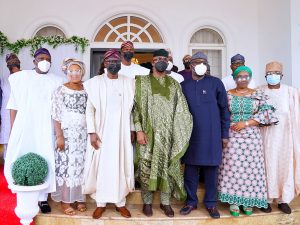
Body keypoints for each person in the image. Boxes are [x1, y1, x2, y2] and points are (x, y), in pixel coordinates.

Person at [4, 48, 65, 213]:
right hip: (25, 124)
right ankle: (22, 192)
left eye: (48, 58)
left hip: (46, 125)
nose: (44, 61)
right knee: (22, 153)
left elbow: (58, 109)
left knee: (46, 156)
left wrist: (58, 132)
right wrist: (13, 129)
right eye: (41, 58)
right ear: (34, 61)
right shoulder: (20, 78)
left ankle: (42, 199)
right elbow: (13, 105)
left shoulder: (57, 81)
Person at [133, 49, 193, 217]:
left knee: (167, 167)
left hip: (168, 135)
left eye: (164, 59)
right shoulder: (141, 82)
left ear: (168, 62)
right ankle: (147, 203)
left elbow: (181, 110)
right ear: (152, 62)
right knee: (146, 167)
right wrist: (139, 131)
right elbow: (135, 108)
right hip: (147, 133)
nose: (160, 61)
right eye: (157, 58)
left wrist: (178, 132)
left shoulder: (174, 84)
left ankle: (166, 203)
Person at [218, 66, 278, 217]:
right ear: (234, 78)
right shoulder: (227, 95)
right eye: (239, 77)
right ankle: (234, 201)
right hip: (233, 137)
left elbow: (267, 113)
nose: (243, 79)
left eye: (246, 76)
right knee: (233, 168)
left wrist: (246, 123)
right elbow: (222, 113)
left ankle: (248, 201)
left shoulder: (257, 94)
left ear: (250, 78)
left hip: (252, 137)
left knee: (251, 170)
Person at [82, 49, 135, 219]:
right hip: (101, 132)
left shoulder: (129, 82)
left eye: (116, 61)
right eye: (110, 61)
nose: (114, 64)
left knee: (120, 165)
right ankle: (100, 203)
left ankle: (120, 203)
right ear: (104, 63)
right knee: (102, 167)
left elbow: (133, 110)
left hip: (121, 132)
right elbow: (89, 110)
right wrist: (92, 132)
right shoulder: (94, 83)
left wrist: (133, 129)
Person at [180, 51, 230, 218]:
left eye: (203, 62)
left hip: (212, 135)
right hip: (191, 135)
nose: (200, 65)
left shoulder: (216, 83)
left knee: (211, 170)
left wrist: (224, 135)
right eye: (197, 62)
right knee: (190, 170)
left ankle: (210, 204)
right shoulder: (184, 85)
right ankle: (191, 202)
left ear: (207, 65)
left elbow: (224, 110)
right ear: (191, 65)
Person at [259, 61, 300, 214]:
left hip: (285, 138)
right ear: (265, 76)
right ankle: (266, 199)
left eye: (276, 74)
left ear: (282, 76)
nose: (272, 76)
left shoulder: (291, 92)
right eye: (269, 74)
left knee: (284, 166)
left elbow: (296, 116)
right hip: (266, 138)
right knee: (267, 166)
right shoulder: (259, 91)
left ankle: (283, 200)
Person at [51, 59, 88, 215]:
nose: (74, 74)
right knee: (68, 167)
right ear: (66, 73)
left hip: (83, 135)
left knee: (81, 166)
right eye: (71, 71)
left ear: (82, 72)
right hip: (67, 135)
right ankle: (66, 201)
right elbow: (56, 114)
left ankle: (79, 198)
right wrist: (59, 136)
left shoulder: (87, 89)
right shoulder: (61, 90)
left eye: (77, 71)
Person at [1, 53, 21, 160]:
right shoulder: (4, 80)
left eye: (14, 61)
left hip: (21, 112)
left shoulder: (26, 76)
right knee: (7, 138)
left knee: (20, 137)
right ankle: (7, 163)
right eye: (10, 62)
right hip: (5, 113)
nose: (13, 64)